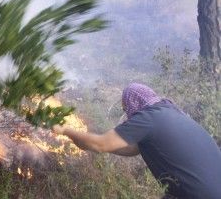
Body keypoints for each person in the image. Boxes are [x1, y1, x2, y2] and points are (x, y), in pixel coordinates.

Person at [52, 83, 221, 199]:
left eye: (126, 109)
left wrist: (66, 130)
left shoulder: (147, 118)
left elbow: (100, 144)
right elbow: (131, 149)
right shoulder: (171, 113)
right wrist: (83, 140)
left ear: (133, 104)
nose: (127, 114)